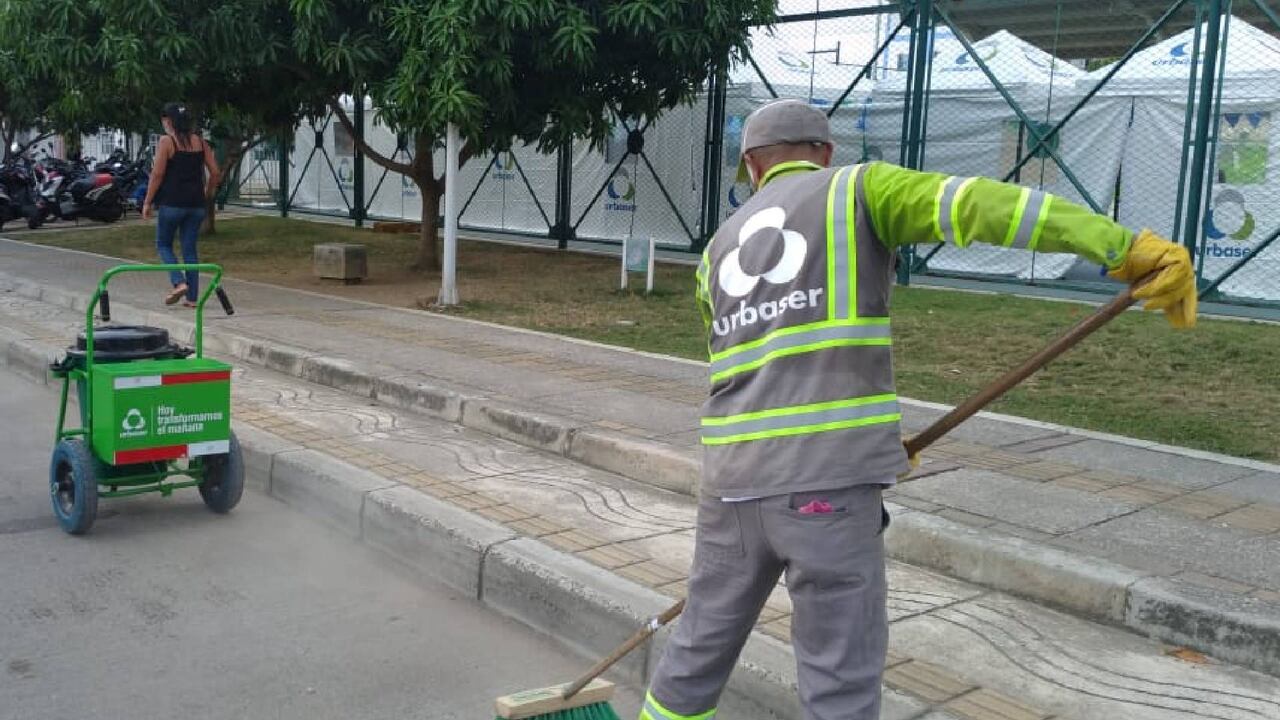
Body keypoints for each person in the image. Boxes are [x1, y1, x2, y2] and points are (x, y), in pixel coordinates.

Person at [639, 99, 1196, 720]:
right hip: (827, 487)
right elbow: (991, 207)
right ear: (824, 151)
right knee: (837, 674)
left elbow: (741, 365)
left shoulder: (716, 249)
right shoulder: (859, 190)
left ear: (750, 167)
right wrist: (1120, 246)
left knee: (699, 645)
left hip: (729, 486)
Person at [141, 103, 219, 307]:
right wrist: (207, 193)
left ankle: (178, 282)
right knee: (190, 250)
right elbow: (215, 172)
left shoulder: (167, 141)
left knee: (163, 244)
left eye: (164, 120)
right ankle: (192, 299)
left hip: (172, 202)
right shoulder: (201, 142)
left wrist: (147, 202)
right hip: (196, 205)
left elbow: (157, 174)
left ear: (169, 122)